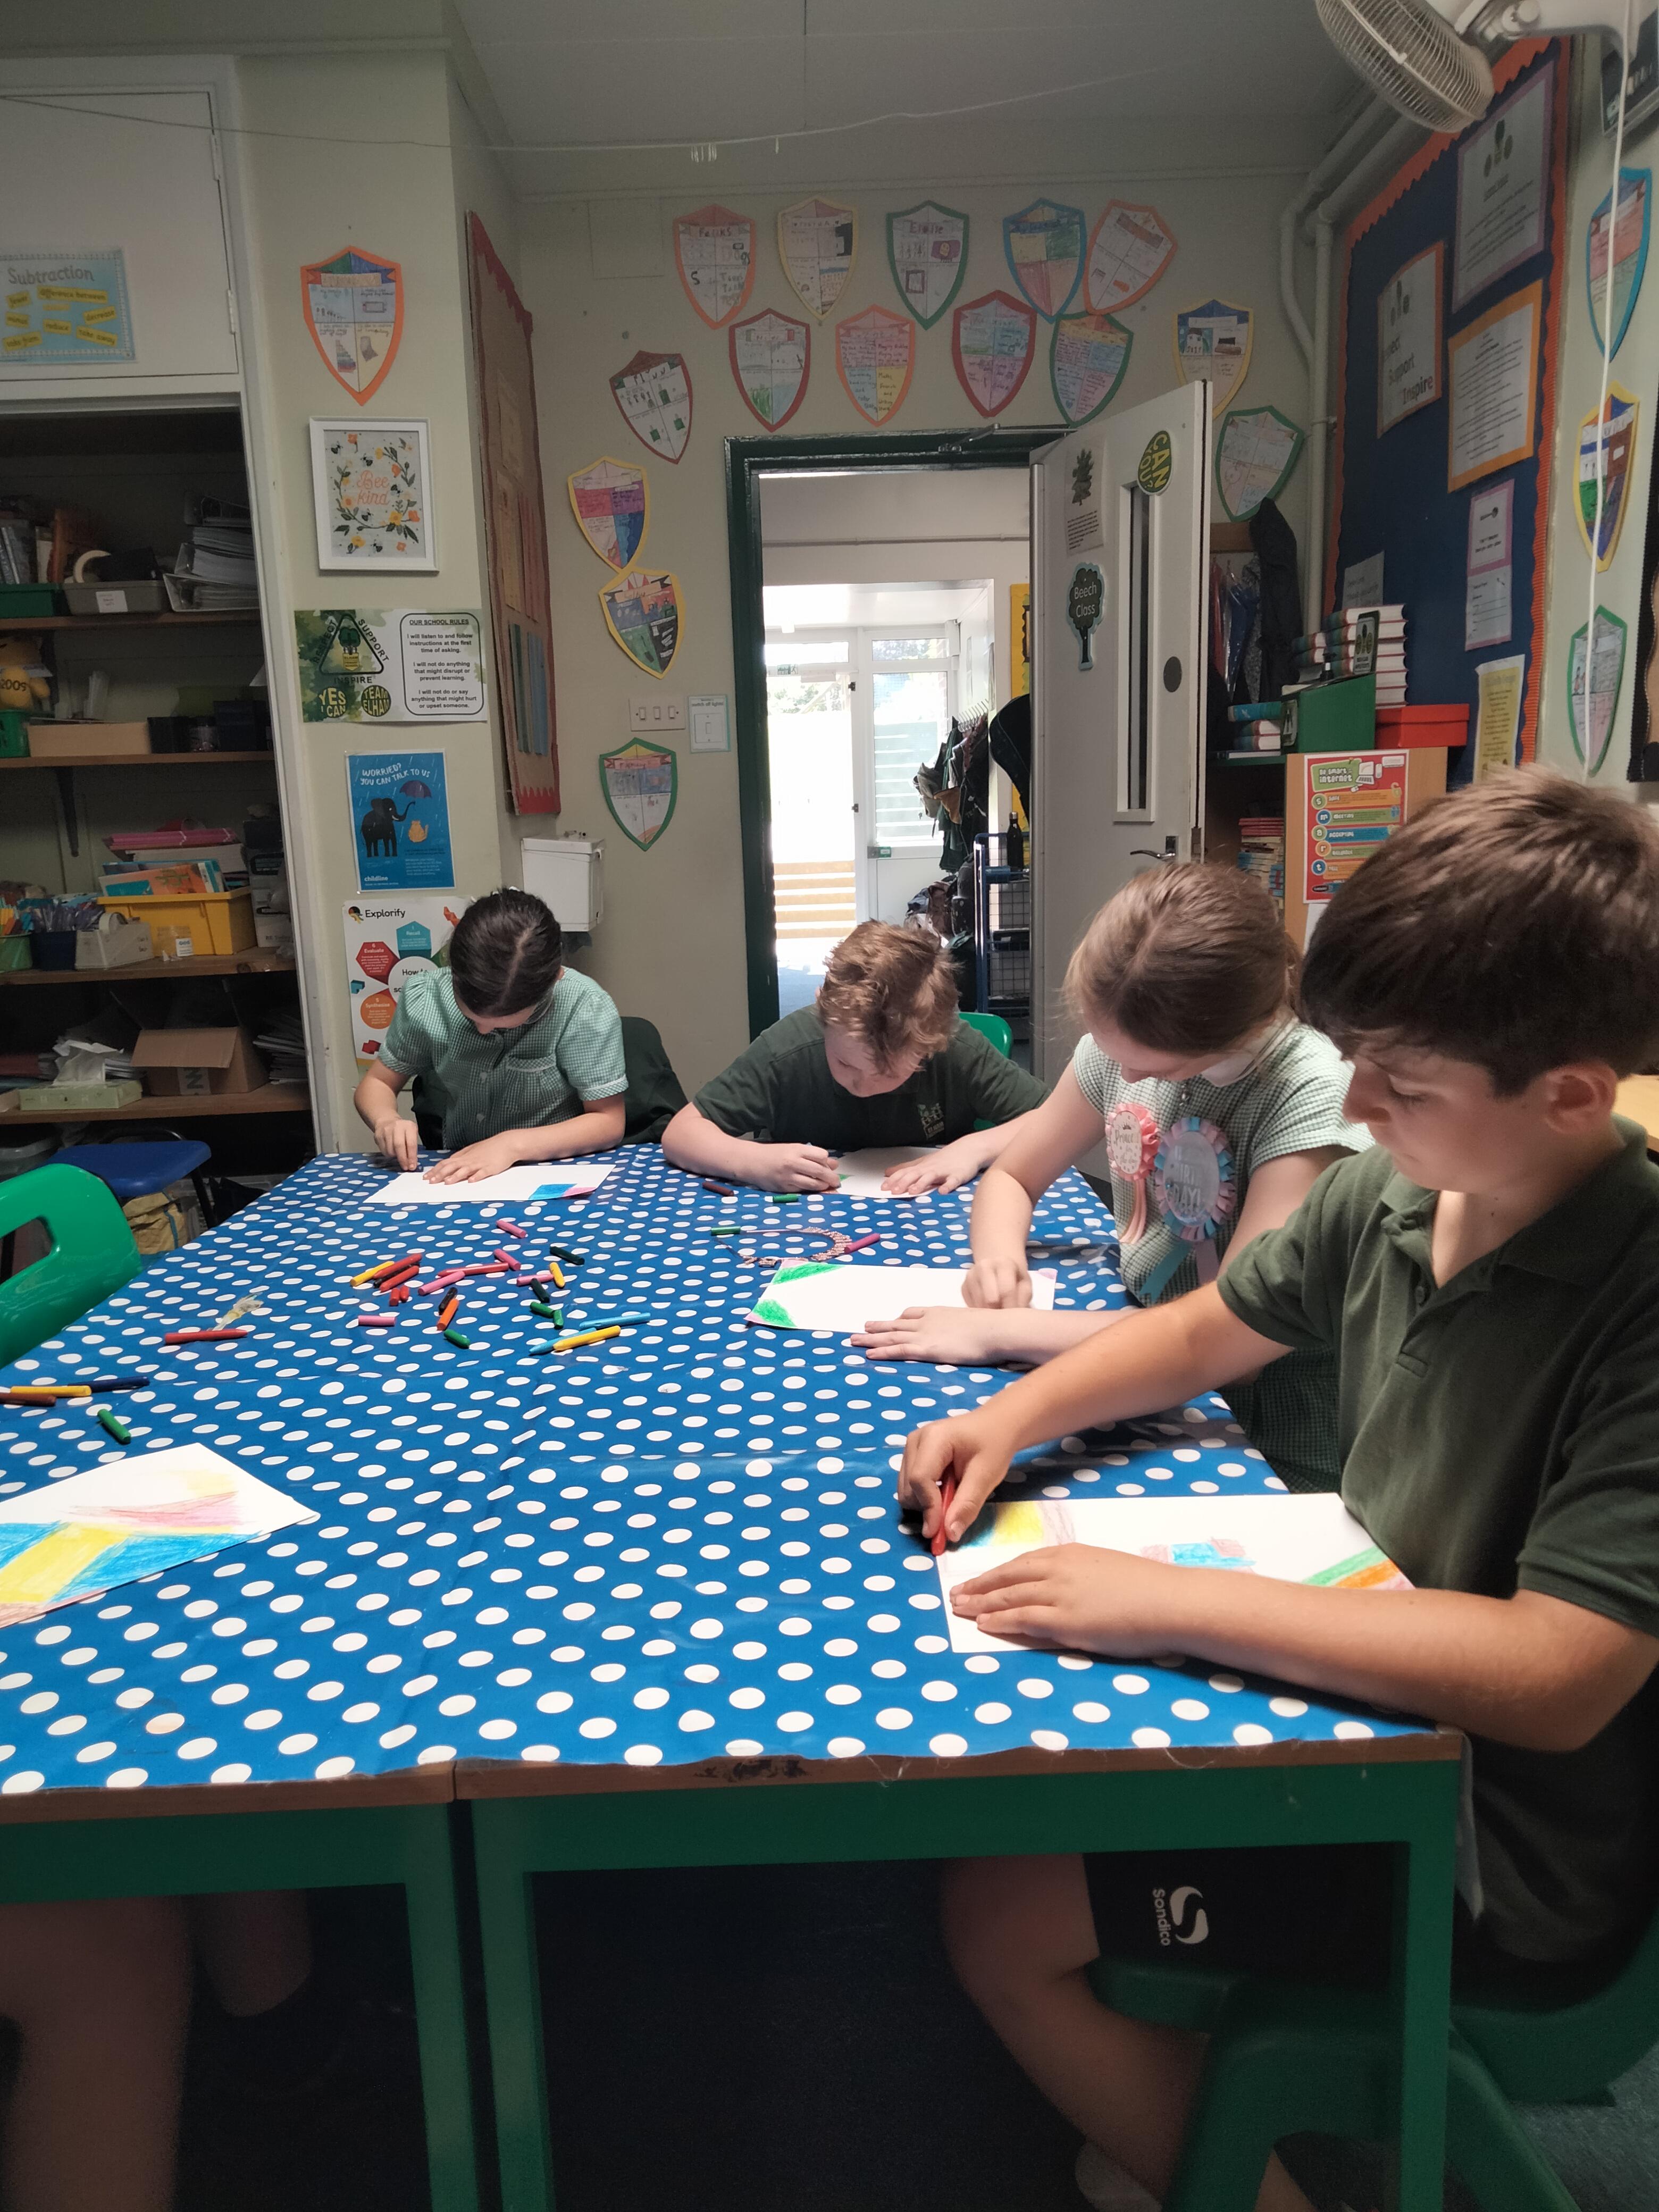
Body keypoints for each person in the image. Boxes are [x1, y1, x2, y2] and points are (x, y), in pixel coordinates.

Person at [899, 771, 1659, 2212]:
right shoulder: (1396, 1195)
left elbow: (1559, 1674)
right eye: (1352, 1059)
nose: (1357, 1105)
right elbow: (1207, 1330)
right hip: (1379, 1730)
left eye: (1403, 1085)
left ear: (1570, 1094)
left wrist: (1170, 1600)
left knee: (997, 1911)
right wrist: (1008, 1417)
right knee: (1037, 1780)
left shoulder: (1632, 1299)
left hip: (1483, 1845)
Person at [857, 865, 1364, 1493]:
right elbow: (1014, 1174)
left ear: (1232, 1031)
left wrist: (998, 1330)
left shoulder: (1311, 1097)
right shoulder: (1124, 1044)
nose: (1124, 1075)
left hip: (1269, 1437)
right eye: (1107, 1048)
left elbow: (1229, 1338)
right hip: (1148, 1367)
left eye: (1156, 1068)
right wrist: (997, 1259)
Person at [661, 920, 1048, 1194]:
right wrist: (751, 1162)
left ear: (931, 1043)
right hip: (800, 1226)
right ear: (822, 1014)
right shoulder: (788, 1048)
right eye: (845, 1063)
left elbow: (1053, 1120)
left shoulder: (956, 1048)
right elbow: (682, 1133)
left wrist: (973, 1149)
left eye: (888, 1072)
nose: (862, 1085)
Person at [353, 887, 626, 1183]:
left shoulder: (583, 1006)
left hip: (553, 1170)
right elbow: (378, 1082)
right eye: (471, 1017)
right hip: (463, 1172)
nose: (483, 1030)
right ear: (452, 969)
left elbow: (608, 1121)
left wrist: (511, 1145)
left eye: (504, 1024)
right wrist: (386, 1120)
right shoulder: (427, 998)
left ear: (554, 979)